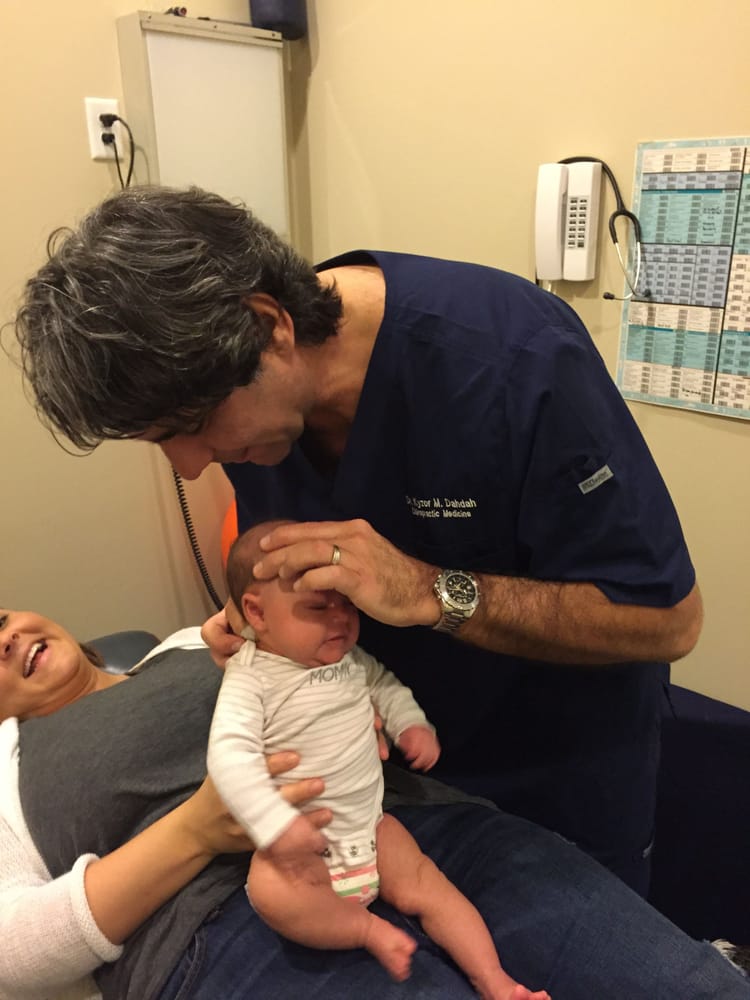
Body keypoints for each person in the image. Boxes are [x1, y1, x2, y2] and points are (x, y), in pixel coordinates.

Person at [13, 185, 704, 897]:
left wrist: (429, 592)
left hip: (558, 774)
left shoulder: (512, 359)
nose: (189, 466)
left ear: (269, 328)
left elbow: (669, 620)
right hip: (386, 782)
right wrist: (259, 624)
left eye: (190, 427)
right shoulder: (255, 410)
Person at [1, 605, 748, 1000]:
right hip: (222, 923)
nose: (6, 640)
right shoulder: (8, 770)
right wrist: (196, 830)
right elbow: (13, 953)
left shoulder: (186, 644)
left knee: (681, 984)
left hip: (408, 829)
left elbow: (353, 668)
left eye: (1, 619)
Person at [208, 521, 548, 999]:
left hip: (372, 826)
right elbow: (229, 754)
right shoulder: (252, 678)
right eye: (318, 607)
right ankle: (365, 930)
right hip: (300, 848)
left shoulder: (350, 660)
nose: (339, 620)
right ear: (257, 613)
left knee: (429, 884)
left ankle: (496, 981)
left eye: (347, 604)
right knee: (271, 893)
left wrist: (411, 725)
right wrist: (274, 825)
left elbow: (385, 685)